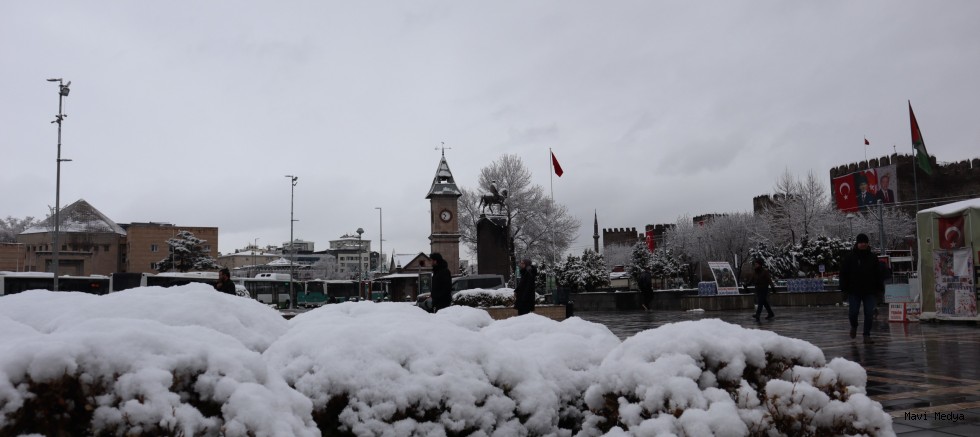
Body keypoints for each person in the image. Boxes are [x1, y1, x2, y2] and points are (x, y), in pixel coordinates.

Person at [840, 233, 885, 343]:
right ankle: (854, 326)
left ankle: (866, 335)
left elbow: (878, 274)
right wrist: (844, 289)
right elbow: (843, 274)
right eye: (861, 242)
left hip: (869, 291)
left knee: (869, 313)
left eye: (865, 242)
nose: (863, 244)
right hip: (854, 290)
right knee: (853, 312)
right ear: (857, 243)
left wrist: (880, 290)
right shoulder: (850, 257)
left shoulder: (872, 257)